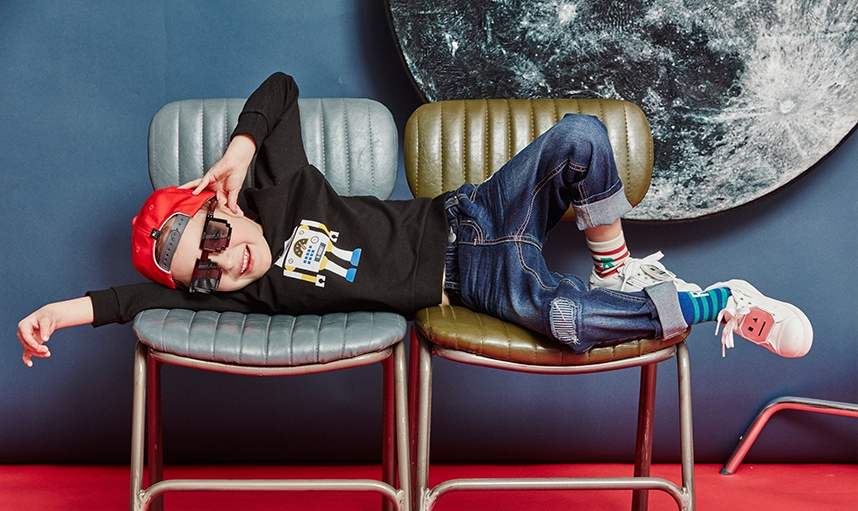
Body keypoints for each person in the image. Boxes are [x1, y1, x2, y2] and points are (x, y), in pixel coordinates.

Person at [17, 72, 813, 367]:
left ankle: (616, 266)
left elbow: (281, 87)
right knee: (565, 321)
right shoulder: (246, 293)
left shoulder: (278, 190)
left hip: (473, 213)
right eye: (203, 273)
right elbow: (131, 301)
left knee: (580, 136)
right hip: (473, 282)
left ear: (224, 206)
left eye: (214, 240)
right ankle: (719, 301)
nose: (221, 265)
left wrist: (238, 149)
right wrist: (58, 312)